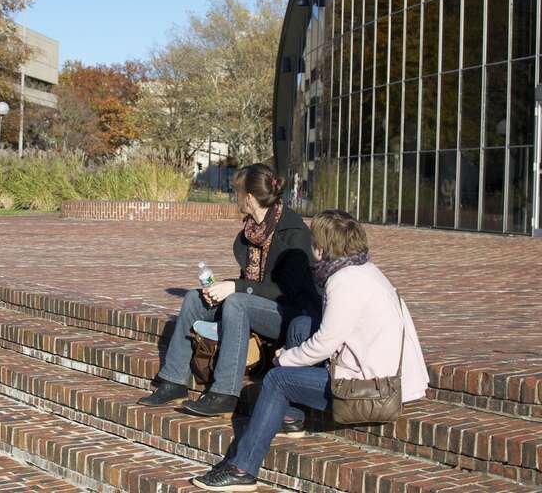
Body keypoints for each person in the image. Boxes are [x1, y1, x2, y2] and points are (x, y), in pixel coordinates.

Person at [191, 210, 429, 492]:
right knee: (302, 324)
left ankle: (243, 468)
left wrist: (284, 359)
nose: (310, 247)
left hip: (372, 388)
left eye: (314, 241)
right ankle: (290, 417)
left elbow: (325, 344)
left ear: (322, 247)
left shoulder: (345, 283)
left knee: (277, 380)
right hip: (380, 372)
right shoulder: (364, 270)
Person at [137, 163, 322, 420]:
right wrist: (222, 287)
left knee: (236, 302)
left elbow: (286, 291)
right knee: (194, 298)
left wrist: (235, 287)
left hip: (290, 312)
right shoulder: (250, 232)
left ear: (248, 197)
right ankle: (174, 381)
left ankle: (225, 393)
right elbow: (251, 282)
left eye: (236, 192)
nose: (235, 198)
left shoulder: (294, 234)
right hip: (257, 303)